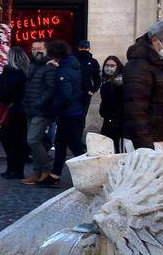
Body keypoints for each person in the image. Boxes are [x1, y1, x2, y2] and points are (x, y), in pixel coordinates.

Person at [123, 20, 163, 153]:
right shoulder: (138, 66)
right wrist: (146, 148)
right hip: (150, 142)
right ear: (155, 41)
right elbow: (135, 110)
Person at [45, 39, 86, 185]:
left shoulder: (63, 71)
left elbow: (65, 94)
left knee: (76, 146)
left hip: (68, 113)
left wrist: (54, 106)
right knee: (61, 144)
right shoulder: (72, 66)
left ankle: (92, 173)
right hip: (71, 112)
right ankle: (55, 174)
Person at [0, 46, 32, 179]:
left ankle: (12, 168)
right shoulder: (27, 71)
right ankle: (17, 169)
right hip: (23, 109)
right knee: (19, 140)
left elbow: (3, 93)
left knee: (8, 139)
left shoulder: (10, 71)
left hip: (11, 110)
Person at [21, 39, 57, 183]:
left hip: (42, 110)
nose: (36, 51)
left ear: (46, 49)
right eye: (34, 48)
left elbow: (51, 89)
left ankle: (47, 169)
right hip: (31, 109)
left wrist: (39, 102)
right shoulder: (32, 65)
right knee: (36, 140)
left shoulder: (49, 67)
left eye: (39, 48)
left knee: (33, 139)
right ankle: (36, 173)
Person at [98, 55, 126, 153]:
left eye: (112, 65)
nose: (109, 67)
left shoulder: (120, 82)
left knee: (116, 147)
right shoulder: (106, 80)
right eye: (107, 65)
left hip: (116, 119)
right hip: (108, 118)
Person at [75, 40, 102, 116]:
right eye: (81, 47)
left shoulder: (93, 62)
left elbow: (97, 78)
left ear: (89, 48)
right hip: (74, 92)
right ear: (78, 48)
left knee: (83, 114)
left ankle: (81, 128)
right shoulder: (73, 60)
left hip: (86, 93)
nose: (83, 49)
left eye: (85, 47)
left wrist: (93, 90)